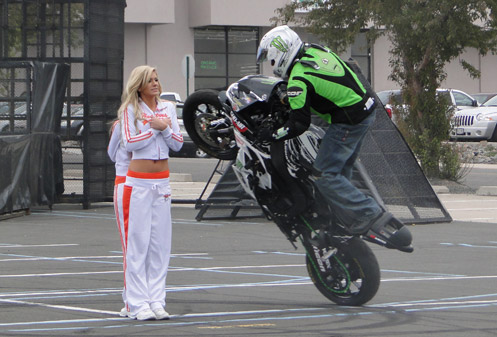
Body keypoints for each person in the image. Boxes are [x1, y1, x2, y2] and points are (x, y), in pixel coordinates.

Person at [255, 25, 411, 249]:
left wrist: (272, 134)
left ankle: (369, 213)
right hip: (366, 109)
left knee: (324, 174)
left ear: (281, 52)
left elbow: (299, 124)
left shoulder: (299, 78)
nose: (271, 66)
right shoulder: (316, 50)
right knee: (340, 170)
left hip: (348, 121)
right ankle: (344, 217)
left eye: (271, 59)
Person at [117, 65, 183, 320]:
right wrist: (154, 127)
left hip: (162, 184)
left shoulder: (168, 108)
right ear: (139, 85)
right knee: (138, 245)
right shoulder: (130, 110)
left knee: (159, 246)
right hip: (138, 184)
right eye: (150, 80)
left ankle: (157, 300)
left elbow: (177, 143)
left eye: (157, 79)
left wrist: (165, 128)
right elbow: (129, 142)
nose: (155, 83)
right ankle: (137, 302)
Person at [107, 119, 132, 316]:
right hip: (126, 181)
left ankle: (150, 297)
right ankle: (131, 297)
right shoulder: (120, 124)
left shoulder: (159, 120)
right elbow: (111, 153)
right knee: (131, 244)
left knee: (150, 244)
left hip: (150, 183)